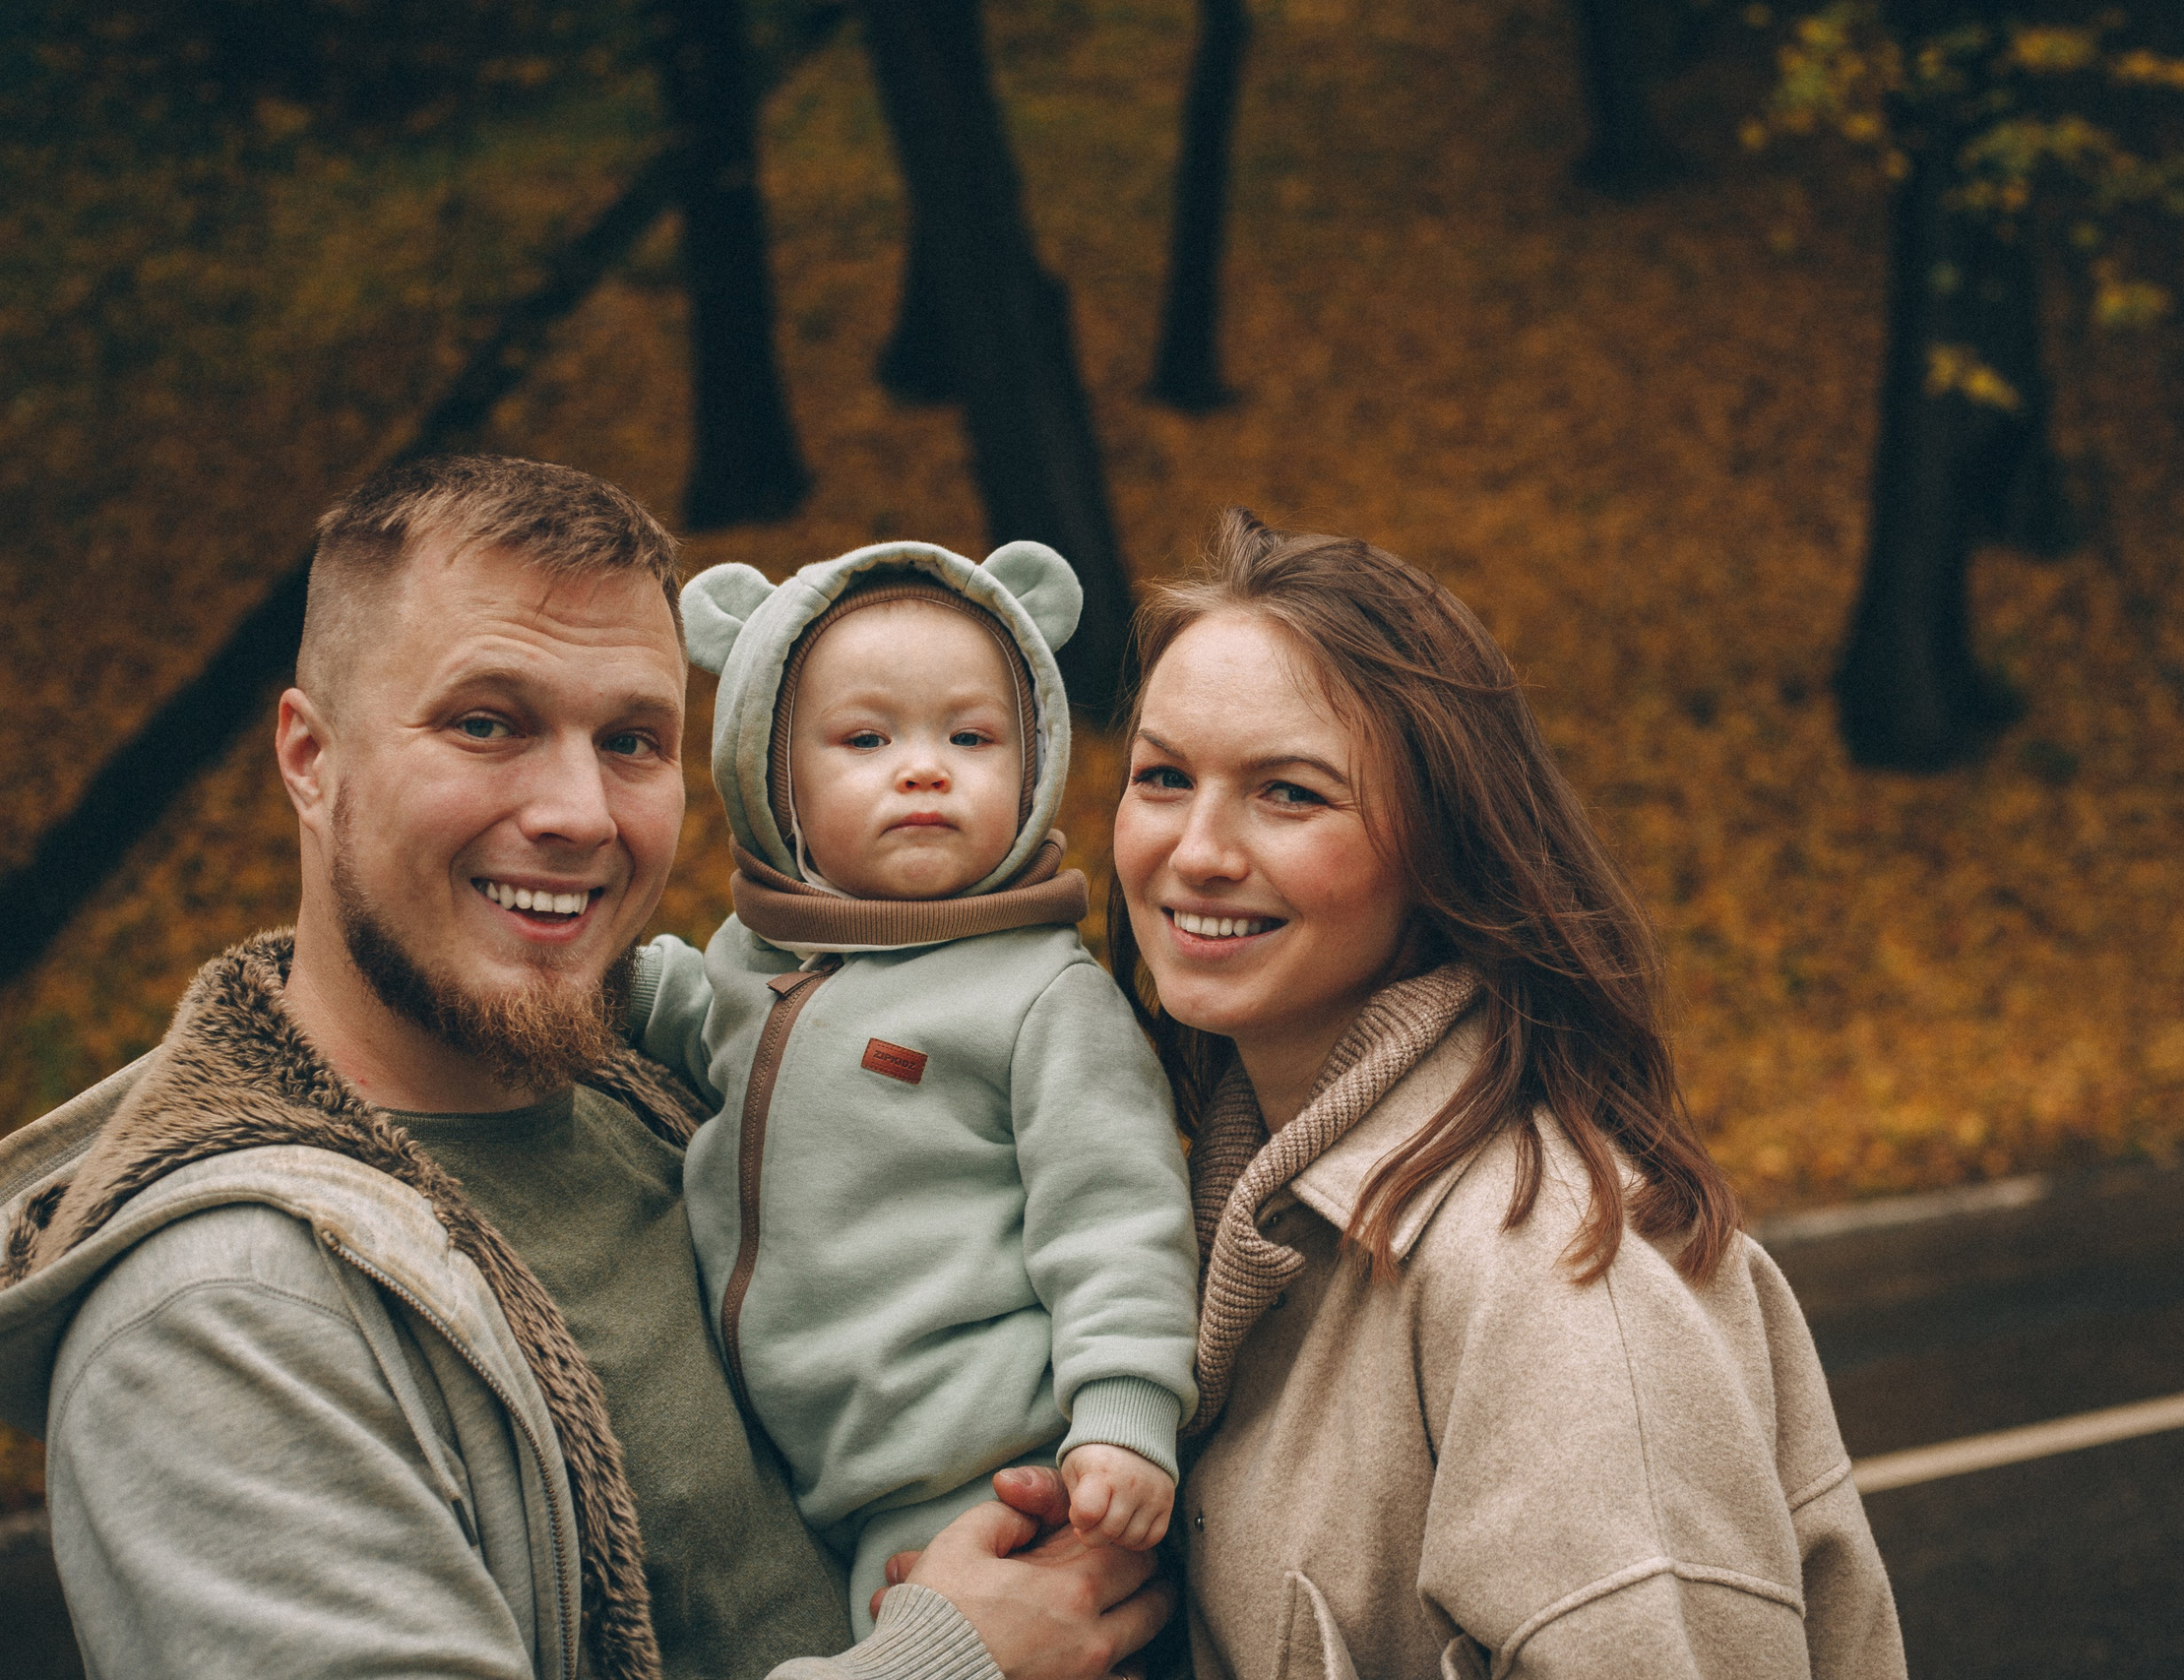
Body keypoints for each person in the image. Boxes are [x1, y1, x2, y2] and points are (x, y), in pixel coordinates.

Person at [0, 455, 1167, 1680]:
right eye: (486, 723)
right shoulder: (225, 1311)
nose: (577, 812)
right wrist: (952, 1660)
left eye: (629, 741)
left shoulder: (674, 1096)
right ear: (309, 755)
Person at [1106, 510, 1908, 1679]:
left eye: (1288, 793)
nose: (1198, 849)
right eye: (1163, 777)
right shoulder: (1205, 1228)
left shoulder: (1553, 1274)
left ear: (1443, 845)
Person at [627, 542, 1198, 1638]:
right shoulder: (757, 957)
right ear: (771, 777)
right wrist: (631, 982)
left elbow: (1120, 1216)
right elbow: (722, 1038)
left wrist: (1122, 1417)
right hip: (817, 1485)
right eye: (866, 739)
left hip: (992, 1474)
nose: (924, 768)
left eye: (971, 738)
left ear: (1030, 771)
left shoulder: (1039, 996)